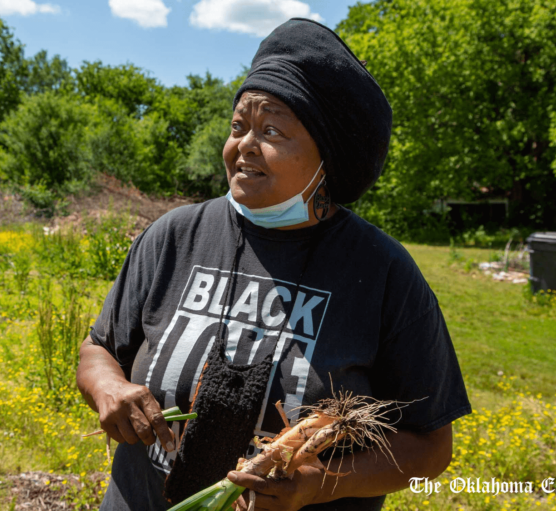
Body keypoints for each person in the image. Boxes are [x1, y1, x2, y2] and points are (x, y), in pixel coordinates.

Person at [77, 18, 471, 511]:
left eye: (271, 130)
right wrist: (109, 385)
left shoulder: (383, 273)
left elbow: (430, 447)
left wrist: (316, 483)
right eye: (238, 125)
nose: (243, 144)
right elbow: (99, 347)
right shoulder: (174, 235)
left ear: (328, 158)